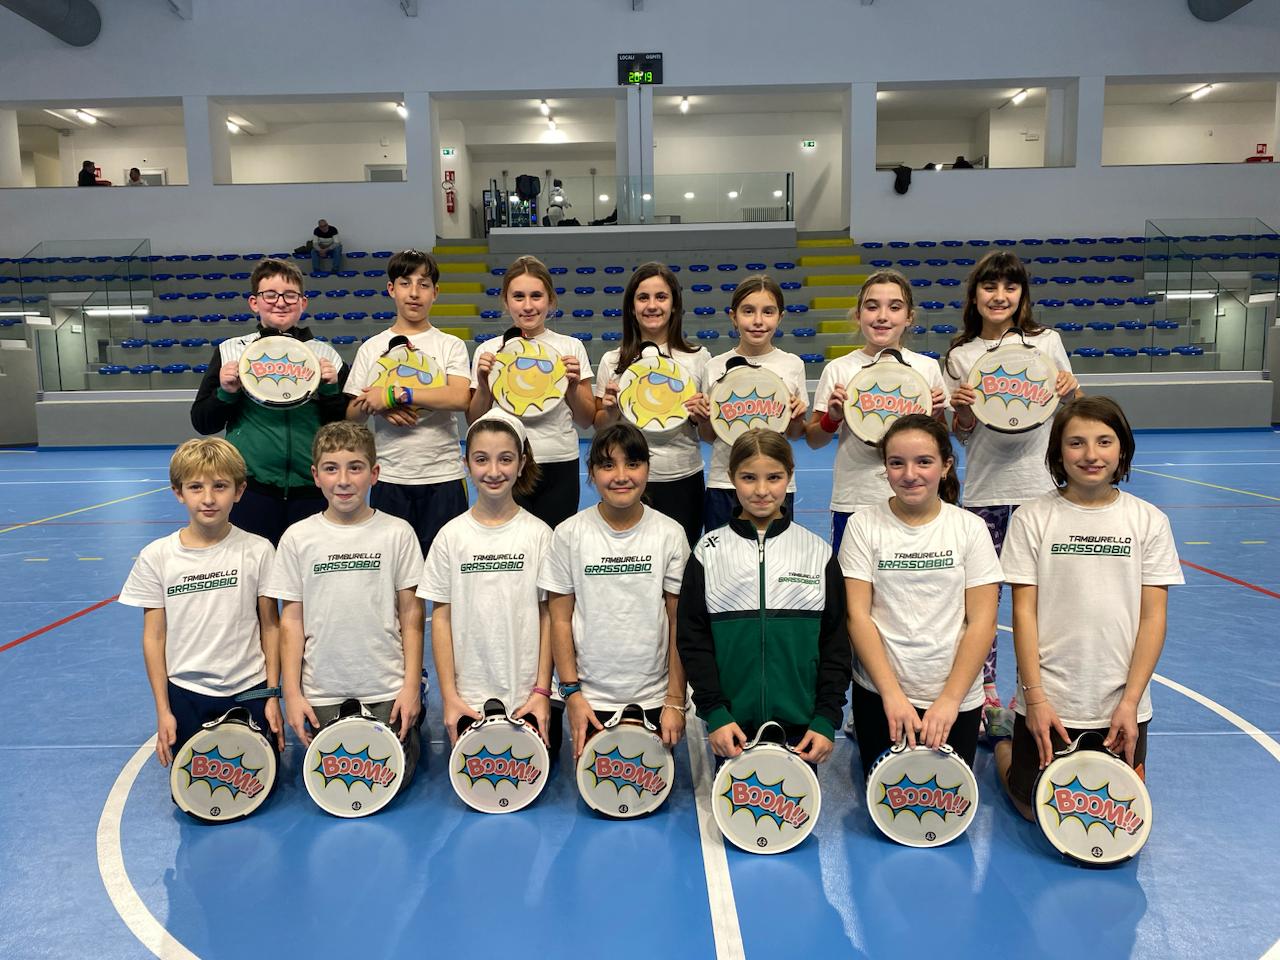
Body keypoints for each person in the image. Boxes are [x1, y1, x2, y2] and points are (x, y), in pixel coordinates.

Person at [994, 397, 1183, 820]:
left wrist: (1130, 702)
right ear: (1058, 452)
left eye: (1104, 441)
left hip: (1119, 701)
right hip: (1052, 697)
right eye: (1076, 442)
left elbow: (1153, 617)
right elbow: (1023, 614)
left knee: (1112, 812)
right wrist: (1035, 699)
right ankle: (1005, 742)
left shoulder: (1149, 521)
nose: (1091, 454)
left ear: (1122, 449)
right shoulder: (1032, 517)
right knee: (1033, 809)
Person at [942, 251, 1078, 736]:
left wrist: (1071, 389)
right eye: (990, 286)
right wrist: (962, 410)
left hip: (1042, 491)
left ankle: (1034, 689)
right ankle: (985, 690)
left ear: (1022, 294)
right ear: (974, 295)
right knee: (982, 600)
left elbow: (1071, 411)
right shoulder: (960, 355)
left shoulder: (1047, 342)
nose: (999, 296)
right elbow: (962, 432)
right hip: (986, 490)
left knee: (1041, 598)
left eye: (1010, 287)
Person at [840, 415, 1002, 778]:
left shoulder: (969, 528)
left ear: (945, 466)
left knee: (944, 797)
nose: (910, 474)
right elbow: (857, 617)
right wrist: (891, 696)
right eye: (897, 463)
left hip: (954, 696)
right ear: (885, 467)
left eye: (924, 462)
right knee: (888, 793)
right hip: (881, 693)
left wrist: (950, 701)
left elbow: (983, 621)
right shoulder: (863, 526)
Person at [677, 430, 851, 765]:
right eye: (748, 478)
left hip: (803, 730)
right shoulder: (707, 554)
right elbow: (693, 640)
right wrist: (715, 712)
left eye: (774, 477)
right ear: (731, 477)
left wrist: (826, 717)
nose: (761, 490)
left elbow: (835, 643)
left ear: (790, 476)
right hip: (731, 729)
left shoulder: (817, 553)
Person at [269, 422, 425, 787]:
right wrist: (292, 693)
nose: (343, 480)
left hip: (385, 685)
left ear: (374, 474)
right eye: (331, 468)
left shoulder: (397, 533)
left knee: (390, 780)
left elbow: (412, 614)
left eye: (355, 468)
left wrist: (410, 687)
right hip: (323, 688)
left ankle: (422, 692)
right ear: (315, 476)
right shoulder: (298, 538)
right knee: (334, 781)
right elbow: (291, 621)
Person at [119, 438, 283, 780]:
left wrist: (272, 695)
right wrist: (163, 710)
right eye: (196, 487)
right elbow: (154, 637)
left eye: (220, 486)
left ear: (239, 491)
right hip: (187, 692)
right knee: (197, 791)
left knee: (257, 787)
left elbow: (271, 626)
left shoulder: (258, 550)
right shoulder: (157, 557)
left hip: (249, 689)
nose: (208, 498)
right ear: (178, 492)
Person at [540, 422, 690, 760]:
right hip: (591, 698)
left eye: (632, 464)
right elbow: (560, 619)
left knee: (650, 785)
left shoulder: (669, 534)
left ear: (647, 468)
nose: (621, 476)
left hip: (654, 697)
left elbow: (677, 621)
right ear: (592, 473)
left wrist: (675, 700)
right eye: (608, 465)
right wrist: (572, 694)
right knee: (600, 785)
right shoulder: (569, 534)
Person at [190, 257, 350, 545]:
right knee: (253, 571)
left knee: (308, 571)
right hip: (250, 490)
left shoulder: (327, 356)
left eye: (290, 295)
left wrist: (330, 392)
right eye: (270, 295)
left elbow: (346, 427)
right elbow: (203, 422)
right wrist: (226, 392)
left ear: (303, 303)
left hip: (313, 488)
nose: (281, 302)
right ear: (254, 302)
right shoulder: (231, 351)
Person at [419, 410, 554, 745]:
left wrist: (541, 691)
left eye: (505, 459)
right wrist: (450, 697)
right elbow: (441, 619)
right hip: (469, 699)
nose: (494, 471)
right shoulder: (451, 537)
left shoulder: (540, 535)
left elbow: (548, 616)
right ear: (465, 463)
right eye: (481, 459)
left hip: (528, 697)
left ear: (521, 464)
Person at [805, 269, 948, 554]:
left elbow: (942, 440)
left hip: (913, 497)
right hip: (854, 498)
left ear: (909, 317)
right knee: (851, 577)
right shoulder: (839, 369)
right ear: (858, 315)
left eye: (894, 307)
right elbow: (814, 439)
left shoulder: (926, 368)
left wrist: (934, 418)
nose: (882, 316)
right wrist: (832, 418)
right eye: (872, 307)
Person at [344, 249, 471, 557]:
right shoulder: (371, 348)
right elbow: (351, 416)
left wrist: (394, 395)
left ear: (435, 292)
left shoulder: (450, 345)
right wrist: (376, 404)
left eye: (423, 284)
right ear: (391, 289)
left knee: (445, 572)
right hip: (390, 476)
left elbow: (458, 397)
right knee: (394, 572)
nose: (414, 293)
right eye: (405, 283)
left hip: (444, 476)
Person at [468, 255, 595, 530]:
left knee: (556, 544)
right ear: (505, 301)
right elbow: (474, 419)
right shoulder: (488, 351)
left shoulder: (570, 347)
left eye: (536, 296)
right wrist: (484, 385)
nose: (527, 306)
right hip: (505, 463)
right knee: (511, 544)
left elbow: (586, 420)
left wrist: (572, 387)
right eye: (518, 296)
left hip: (559, 460)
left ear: (551, 300)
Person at [594, 261, 712, 545]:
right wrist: (610, 411)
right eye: (643, 297)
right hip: (628, 481)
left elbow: (709, 434)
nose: (652, 305)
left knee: (681, 562)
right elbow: (600, 426)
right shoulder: (612, 361)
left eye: (661, 297)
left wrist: (701, 416)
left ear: (674, 305)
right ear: (631, 307)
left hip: (683, 477)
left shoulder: (699, 358)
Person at [701, 275, 808, 534]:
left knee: (776, 554)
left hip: (775, 482)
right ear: (733, 316)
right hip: (724, 482)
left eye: (768, 312)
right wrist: (703, 417)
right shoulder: (714, 366)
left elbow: (795, 434)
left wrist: (796, 417)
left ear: (780, 317)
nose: (758, 321)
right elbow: (708, 436)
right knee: (722, 555)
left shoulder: (792, 364)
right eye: (748, 311)